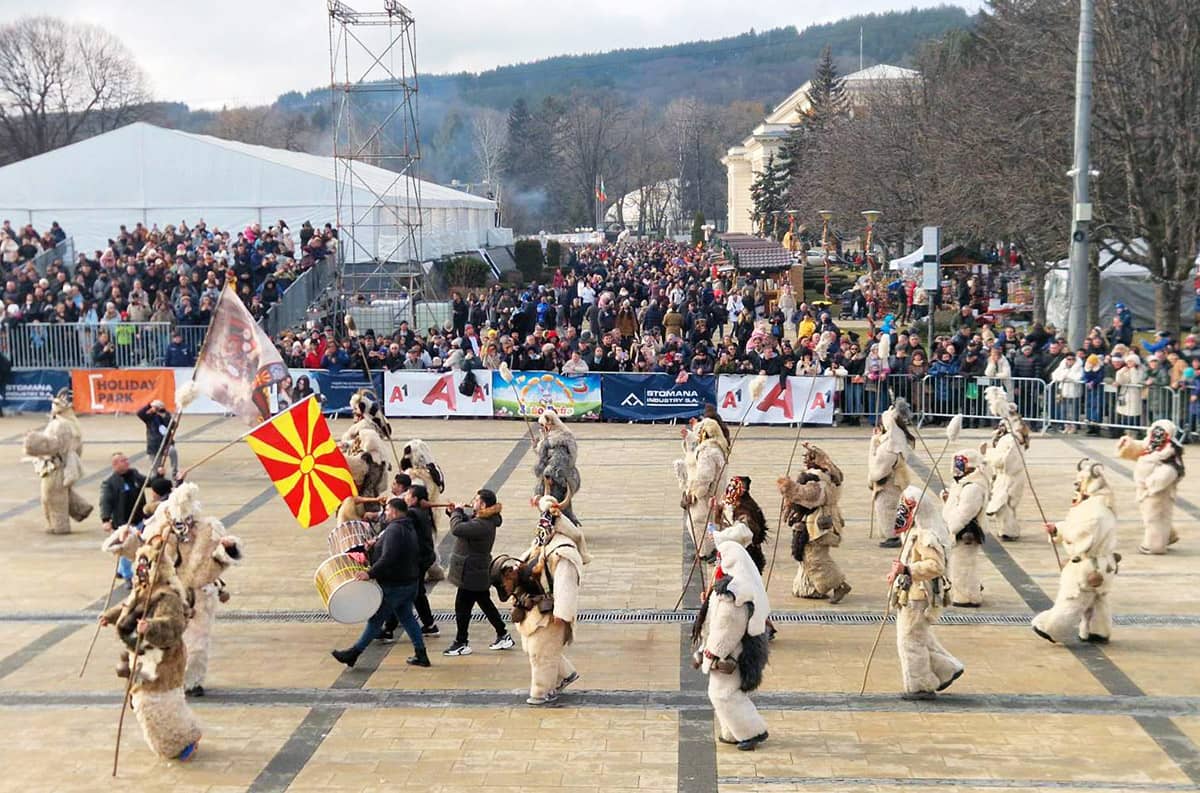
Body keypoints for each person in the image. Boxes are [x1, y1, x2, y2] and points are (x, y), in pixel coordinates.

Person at [99, 539, 201, 761]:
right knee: (141, 701)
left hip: (163, 661)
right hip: (142, 657)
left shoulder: (168, 596)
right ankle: (173, 740)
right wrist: (111, 616)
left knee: (159, 703)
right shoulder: (141, 592)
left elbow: (174, 624)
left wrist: (152, 626)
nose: (142, 572)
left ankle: (182, 738)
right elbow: (128, 607)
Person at [491, 495, 588, 706]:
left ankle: (541, 692)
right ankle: (566, 674)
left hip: (550, 610)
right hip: (533, 607)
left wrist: (562, 614)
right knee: (533, 647)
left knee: (541, 654)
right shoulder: (541, 542)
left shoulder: (563, 551)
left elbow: (565, 584)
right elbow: (526, 560)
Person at [690, 538, 770, 751]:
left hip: (730, 653)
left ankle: (753, 731)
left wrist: (711, 653)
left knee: (724, 694)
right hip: (727, 651)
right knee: (724, 693)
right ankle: (732, 731)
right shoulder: (727, 589)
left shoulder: (733, 595)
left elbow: (726, 629)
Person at [332, 498, 431, 668]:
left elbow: (388, 558)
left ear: (393, 512)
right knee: (407, 617)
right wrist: (377, 544)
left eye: (386, 511)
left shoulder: (394, 530)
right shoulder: (407, 526)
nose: (384, 514)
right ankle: (421, 654)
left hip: (396, 585)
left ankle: (354, 653)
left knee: (376, 620)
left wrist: (369, 573)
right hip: (409, 582)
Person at [888, 485, 963, 700]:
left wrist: (908, 570)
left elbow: (935, 565)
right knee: (918, 636)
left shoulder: (927, 535)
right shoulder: (914, 532)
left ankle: (921, 685)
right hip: (908, 591)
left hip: (920, 596)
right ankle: (947, 668)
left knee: (910, 640)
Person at [1032, 460, 1119, 644]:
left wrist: (1062, 533)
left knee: (1073, 600)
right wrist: (1057, 529)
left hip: (1088, 565)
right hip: (1104, 564)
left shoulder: (1093, 510)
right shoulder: (1102, 504)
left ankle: (1052, 627)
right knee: (1098, 598)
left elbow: (1079, 536)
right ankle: (1098, 630)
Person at [777, 444, 851, 603]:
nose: (805, 460)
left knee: (815, 558)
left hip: (818, 526)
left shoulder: (817, 479)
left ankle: (839, 584)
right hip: (822, 521)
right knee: (808, 556)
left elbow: (809, 495)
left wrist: (789, 487)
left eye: (808, 457)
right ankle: (809, 588)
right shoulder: (830, 475)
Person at [443, 489, 513, 656]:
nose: (473, 502)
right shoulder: (484, 520)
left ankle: (461, 642)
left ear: (482, 504)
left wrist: (457, 512)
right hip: (475, 572)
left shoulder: (483, 524)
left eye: (476, 500)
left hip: (472, 572)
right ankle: (503, 634)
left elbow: (458, 529)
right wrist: (453, 513)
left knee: (462, 606)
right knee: (484, 603)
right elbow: (467, 523)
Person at [22, 387, 93, 534]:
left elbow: (53, 445)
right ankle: (80, 509)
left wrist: (32, 440)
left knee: (54, 498)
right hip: (53, 465)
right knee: (54, 496)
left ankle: (60, 526)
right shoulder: (62, 422)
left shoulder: (62, 425)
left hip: (56, 466)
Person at [380, 484, 440, 641]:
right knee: (417, 593)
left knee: (400, 593)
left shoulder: (412, 514)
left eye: (408, 494)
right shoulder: (420, 511)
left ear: (414, 499)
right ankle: (429, 624)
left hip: (418, 560)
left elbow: (392, 523)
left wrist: (384, 513)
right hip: (423, 558)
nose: (405, 496)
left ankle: (389, 628)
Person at [1116, 420, 1185, 554]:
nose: (1156, 436)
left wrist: (1152, 483)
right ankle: (1168, 534)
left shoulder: (1170, 452)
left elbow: (1172, 472)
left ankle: (1154, 545)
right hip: (1145, 490)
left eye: (1160, 433)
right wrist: (1128, 444)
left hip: (1157, 493)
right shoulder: (1151, 443)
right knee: (1153, 517)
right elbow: (1141, 446)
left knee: (1155, 518)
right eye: (1155, 432)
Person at [675, 417, 730, 559]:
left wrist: (693, 494)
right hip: (716, 494)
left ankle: (706, 551)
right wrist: (688, 436)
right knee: (712, 521)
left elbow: (704, 478)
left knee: (697, 522)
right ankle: (714, 549)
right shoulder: (717, 447)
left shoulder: (706, 452)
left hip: (706, 497)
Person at [942, 449, 990, 607]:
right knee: (959, 564)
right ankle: (966, 590)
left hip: (965, 531)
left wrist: (951, 529)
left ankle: (968, 596)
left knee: (963, 565)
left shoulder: (973, 487)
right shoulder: (962, 482)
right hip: (957, 529)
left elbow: (965, 513)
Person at [983, 386, 1029, 541]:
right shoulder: (1008, 437)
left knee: (1005, 505)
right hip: (1005, 477)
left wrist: (988, 455)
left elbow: (1006, 462)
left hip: (1011, 477)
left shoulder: (1013, 439)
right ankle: (1007, 530)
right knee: (1003, 506)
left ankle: (1010, 532)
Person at [867, 399, 915, 548]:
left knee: (886, 509)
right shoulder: (897, 438)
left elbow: (877, 473)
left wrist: (872, 446)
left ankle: (893, 535)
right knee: (893, 507)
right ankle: (896, 533)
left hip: (889, 483)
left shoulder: (889, 446)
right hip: (898, 480)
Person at [100, 452, 148, 582]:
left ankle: (121, 571)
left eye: (127, 460)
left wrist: (159, 475)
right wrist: (105, 519)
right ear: (115, 465)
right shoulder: (110, 483)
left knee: (139, 546)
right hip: (123, 523)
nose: (127, 462)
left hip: (138, 518)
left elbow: (148, 482)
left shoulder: (134, 475)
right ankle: (128, 576)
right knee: (127, 548)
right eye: (123, 461)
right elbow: (105, 502)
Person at [533, 409, 583, 524]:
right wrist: (537, 446)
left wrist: (548, 474)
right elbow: (545, 454)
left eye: (543, 425)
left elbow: (558, 460)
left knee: (556, 502)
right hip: (554, 476)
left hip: (559, 477)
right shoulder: (551, 437)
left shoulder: (560, 439)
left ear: (550, 423)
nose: (542, 428)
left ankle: (560, 524)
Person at [136, 399, 179, 480]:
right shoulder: (149, 417)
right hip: (154, 446)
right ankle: (159, 480)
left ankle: (175, 471)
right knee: (156, 471)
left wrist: (165, 416)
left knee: (172, 451)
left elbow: (174, 426)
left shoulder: (166, 416)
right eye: (156, 408)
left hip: (166, 444)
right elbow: (139, 413)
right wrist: (149, 406)